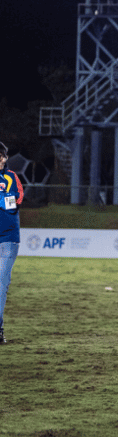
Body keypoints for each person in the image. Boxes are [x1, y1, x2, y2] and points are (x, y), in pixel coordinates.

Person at [0, 142, 24, 345]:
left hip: (8, 238)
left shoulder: (12, 177)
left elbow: (13, 203)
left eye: (0, 156)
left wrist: (3, 198)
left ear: (4, 158)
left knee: (1, 285)